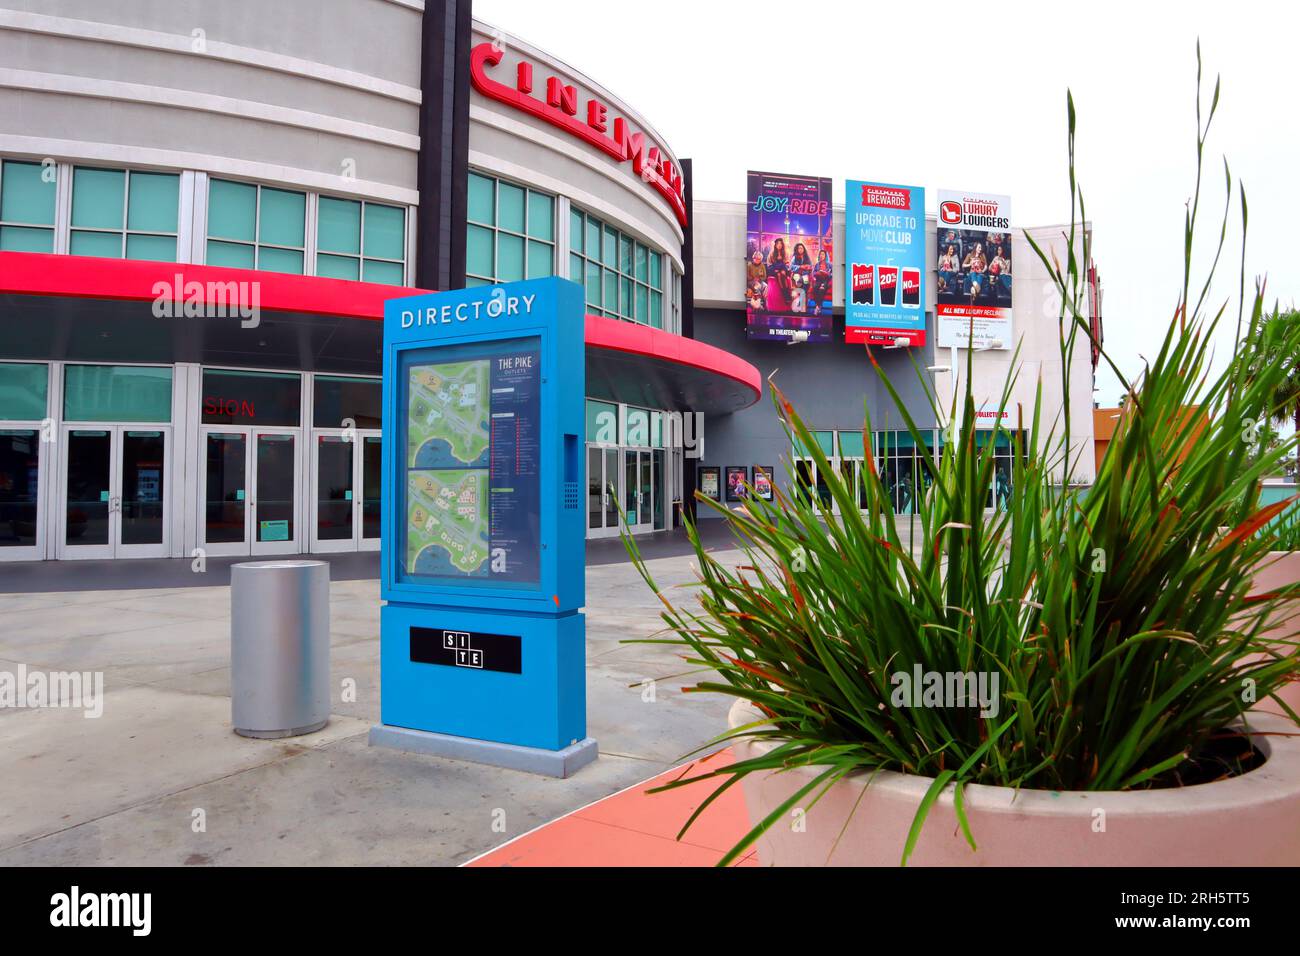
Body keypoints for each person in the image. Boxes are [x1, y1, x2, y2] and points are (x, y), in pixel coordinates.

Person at [765, 237, 793, 311]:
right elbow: (769, 265)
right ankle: (786, 295)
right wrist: (775, 270)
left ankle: (786, 293)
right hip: (774, 270)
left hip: (783, 270)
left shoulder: (785, 253)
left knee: (782, 274)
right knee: (778, 274)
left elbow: (787, 264)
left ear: (782, 245)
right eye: (778, 243)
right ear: (775, 245)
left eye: (781, 243)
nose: (779, 245)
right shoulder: (772, 253)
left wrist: (784, 269)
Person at [810, 249, 833, 316]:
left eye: (823, 254)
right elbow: (813, 273)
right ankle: (819, 306)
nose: (821, 255)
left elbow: (832, 274)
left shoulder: (829, 265)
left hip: (826, 280)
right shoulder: (817, 264)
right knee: (814, 288)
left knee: (821, 290)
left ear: (825, 256)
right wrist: (817, 273)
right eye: (820, 254)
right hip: (818, 279)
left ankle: (817, 307)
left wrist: (827, 274)